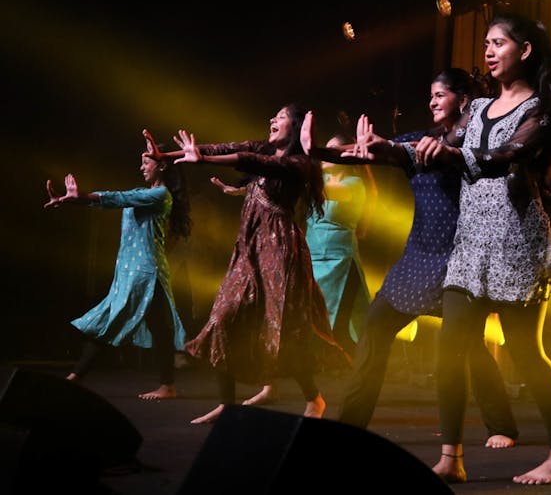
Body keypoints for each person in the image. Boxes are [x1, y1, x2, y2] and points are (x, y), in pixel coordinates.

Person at [388, 13, 551, 484]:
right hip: (470, 245)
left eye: (498, 43)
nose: (489, 52)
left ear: (525, 50)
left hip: (517, 244)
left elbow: (506, 155)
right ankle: (451, 457)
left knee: (527, 354)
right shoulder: (476, 108)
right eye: (486, 44)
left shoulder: (541, 111)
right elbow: (437, 145)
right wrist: (383, 149)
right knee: (450, 351)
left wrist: (454, 154)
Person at [310, 68, 519, 449]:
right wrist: (319, 152)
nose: (432, 101)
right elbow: (368, 152)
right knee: (375, 328)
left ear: (463, 100)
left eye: (440, 95)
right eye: (431, 95)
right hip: (419, 255)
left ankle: (501, 425)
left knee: (468, 346)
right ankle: (350, 425)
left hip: (458, 257)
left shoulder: (475, 144)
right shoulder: (418, 140)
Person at [144, 103, 349, 424]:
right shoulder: (264, 148)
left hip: (280, 252)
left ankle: (314, 397)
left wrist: (204, 160)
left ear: (296, 127)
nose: (272, 119)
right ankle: (228, 405)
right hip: (248, 249)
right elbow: (229, 148)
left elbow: (251, 162)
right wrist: (167, 156)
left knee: (284, 330)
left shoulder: (299, 164)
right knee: (223, 318)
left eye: (281, 117)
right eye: (274, 115)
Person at [43, 134, 191, 400]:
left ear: (162, 165)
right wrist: (77, 200)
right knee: (160, 328)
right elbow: (118, 199)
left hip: (145, 272)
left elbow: (118, 198)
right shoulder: (144, 193)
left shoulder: (160, 195)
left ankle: (76, 377)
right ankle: (167, 385)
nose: (141, 167)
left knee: (113, 320)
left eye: (146, 162)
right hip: (133, 271)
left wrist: (82, 197)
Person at [238, 128, 375, 407]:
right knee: (293, 322)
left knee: (340, 333)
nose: (323, 156)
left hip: (340, 264)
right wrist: (247, 189)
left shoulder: (354, 184)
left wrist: (289, 170)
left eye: (331, 152)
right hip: (311, 260)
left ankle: (363, 385)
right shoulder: (316, 183)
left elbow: (315, 188)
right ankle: (272, 385)